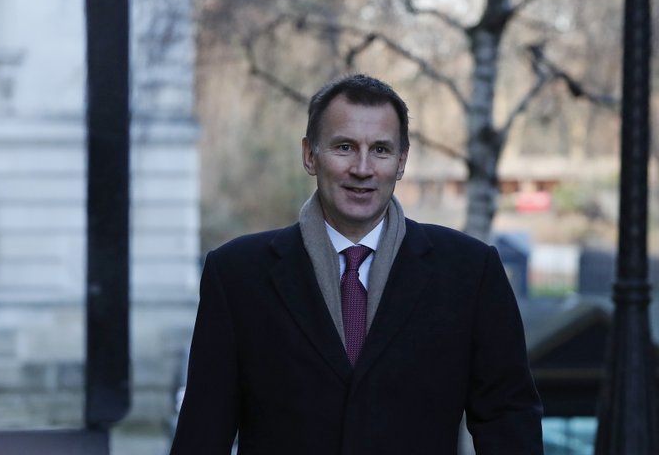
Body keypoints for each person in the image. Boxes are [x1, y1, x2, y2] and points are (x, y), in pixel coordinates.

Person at [170, 74, 543, 455]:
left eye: (380, 150)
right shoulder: (236, 276)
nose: (363, 168)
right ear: (309, 155)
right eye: (345, 147)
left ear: (401, 162)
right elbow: (203, 431)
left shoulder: (470, 272)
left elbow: (509, 421)